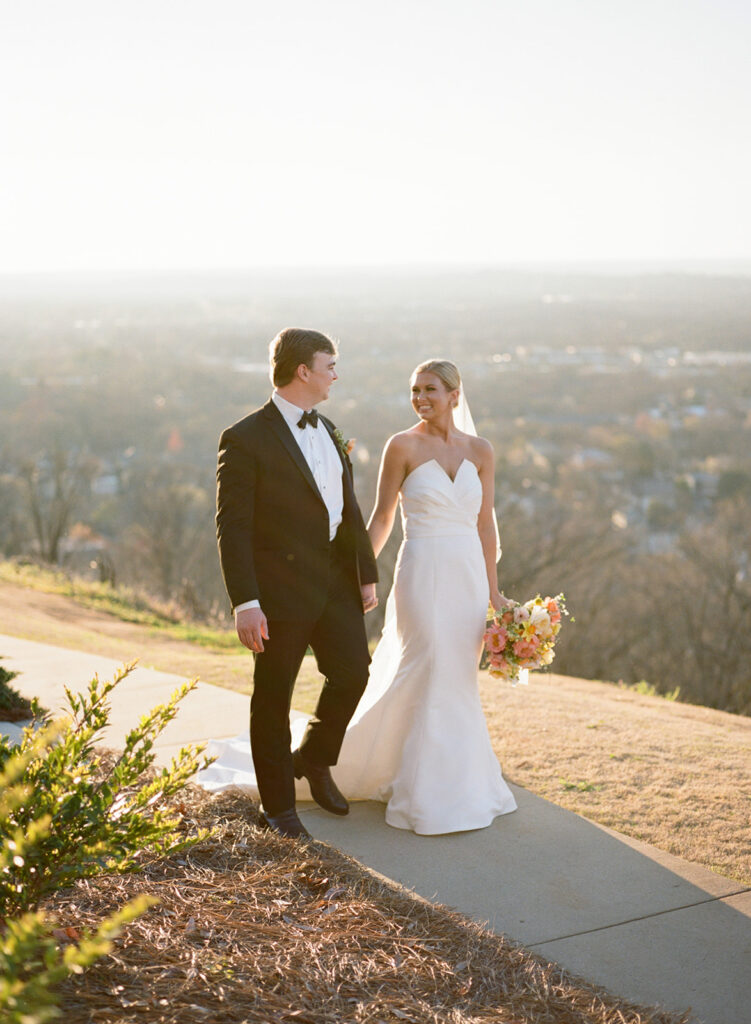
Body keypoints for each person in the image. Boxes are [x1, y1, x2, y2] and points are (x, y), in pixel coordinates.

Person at [201, 357, 516, 835]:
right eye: (415, 389)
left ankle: (451, 778)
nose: (420, 398)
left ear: (455, 394)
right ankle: (399, 792)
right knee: (426, 662)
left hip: (468, 577)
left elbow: (485, 522)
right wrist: (356, 574)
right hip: (422, 573)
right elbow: (380, 517)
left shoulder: (481, 451)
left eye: (430, 389)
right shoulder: (402, 445)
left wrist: (494, 591)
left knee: (450, 673)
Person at [213, 327, 378, 839]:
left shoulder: (327, 427)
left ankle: (312, 756)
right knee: (273, 697)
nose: (336, 373)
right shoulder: (244, 438)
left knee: (353, 673)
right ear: (303, 371)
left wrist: (366, 574)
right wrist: (246, 602)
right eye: (331, 364)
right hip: (279, 590)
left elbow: (348, 510)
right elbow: (232, 527)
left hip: (335, 582)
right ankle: (279, 808)